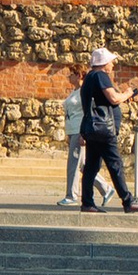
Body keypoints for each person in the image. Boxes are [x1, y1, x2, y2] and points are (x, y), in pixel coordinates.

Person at [78, 49, 134, 212]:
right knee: (115, 164)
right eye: (111, 61)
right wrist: (127, 93)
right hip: (103, 129)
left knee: (91, 167)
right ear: (103, 63)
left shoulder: (89, 77)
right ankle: (128, 201)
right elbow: (113, 98)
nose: (113, 64)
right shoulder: (100, 75)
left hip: (93, 128)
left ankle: (87, 203)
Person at [57, 66, 88, 208]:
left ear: (79, 75)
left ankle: (71, 195)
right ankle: (106, 189)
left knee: (74, 165)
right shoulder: (74, 92)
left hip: (79, 130)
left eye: (71, 74)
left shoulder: (84, 92)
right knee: (82, 165)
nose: (69, 77)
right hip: (72, 130)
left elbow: (87, 112)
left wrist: (84, 133)